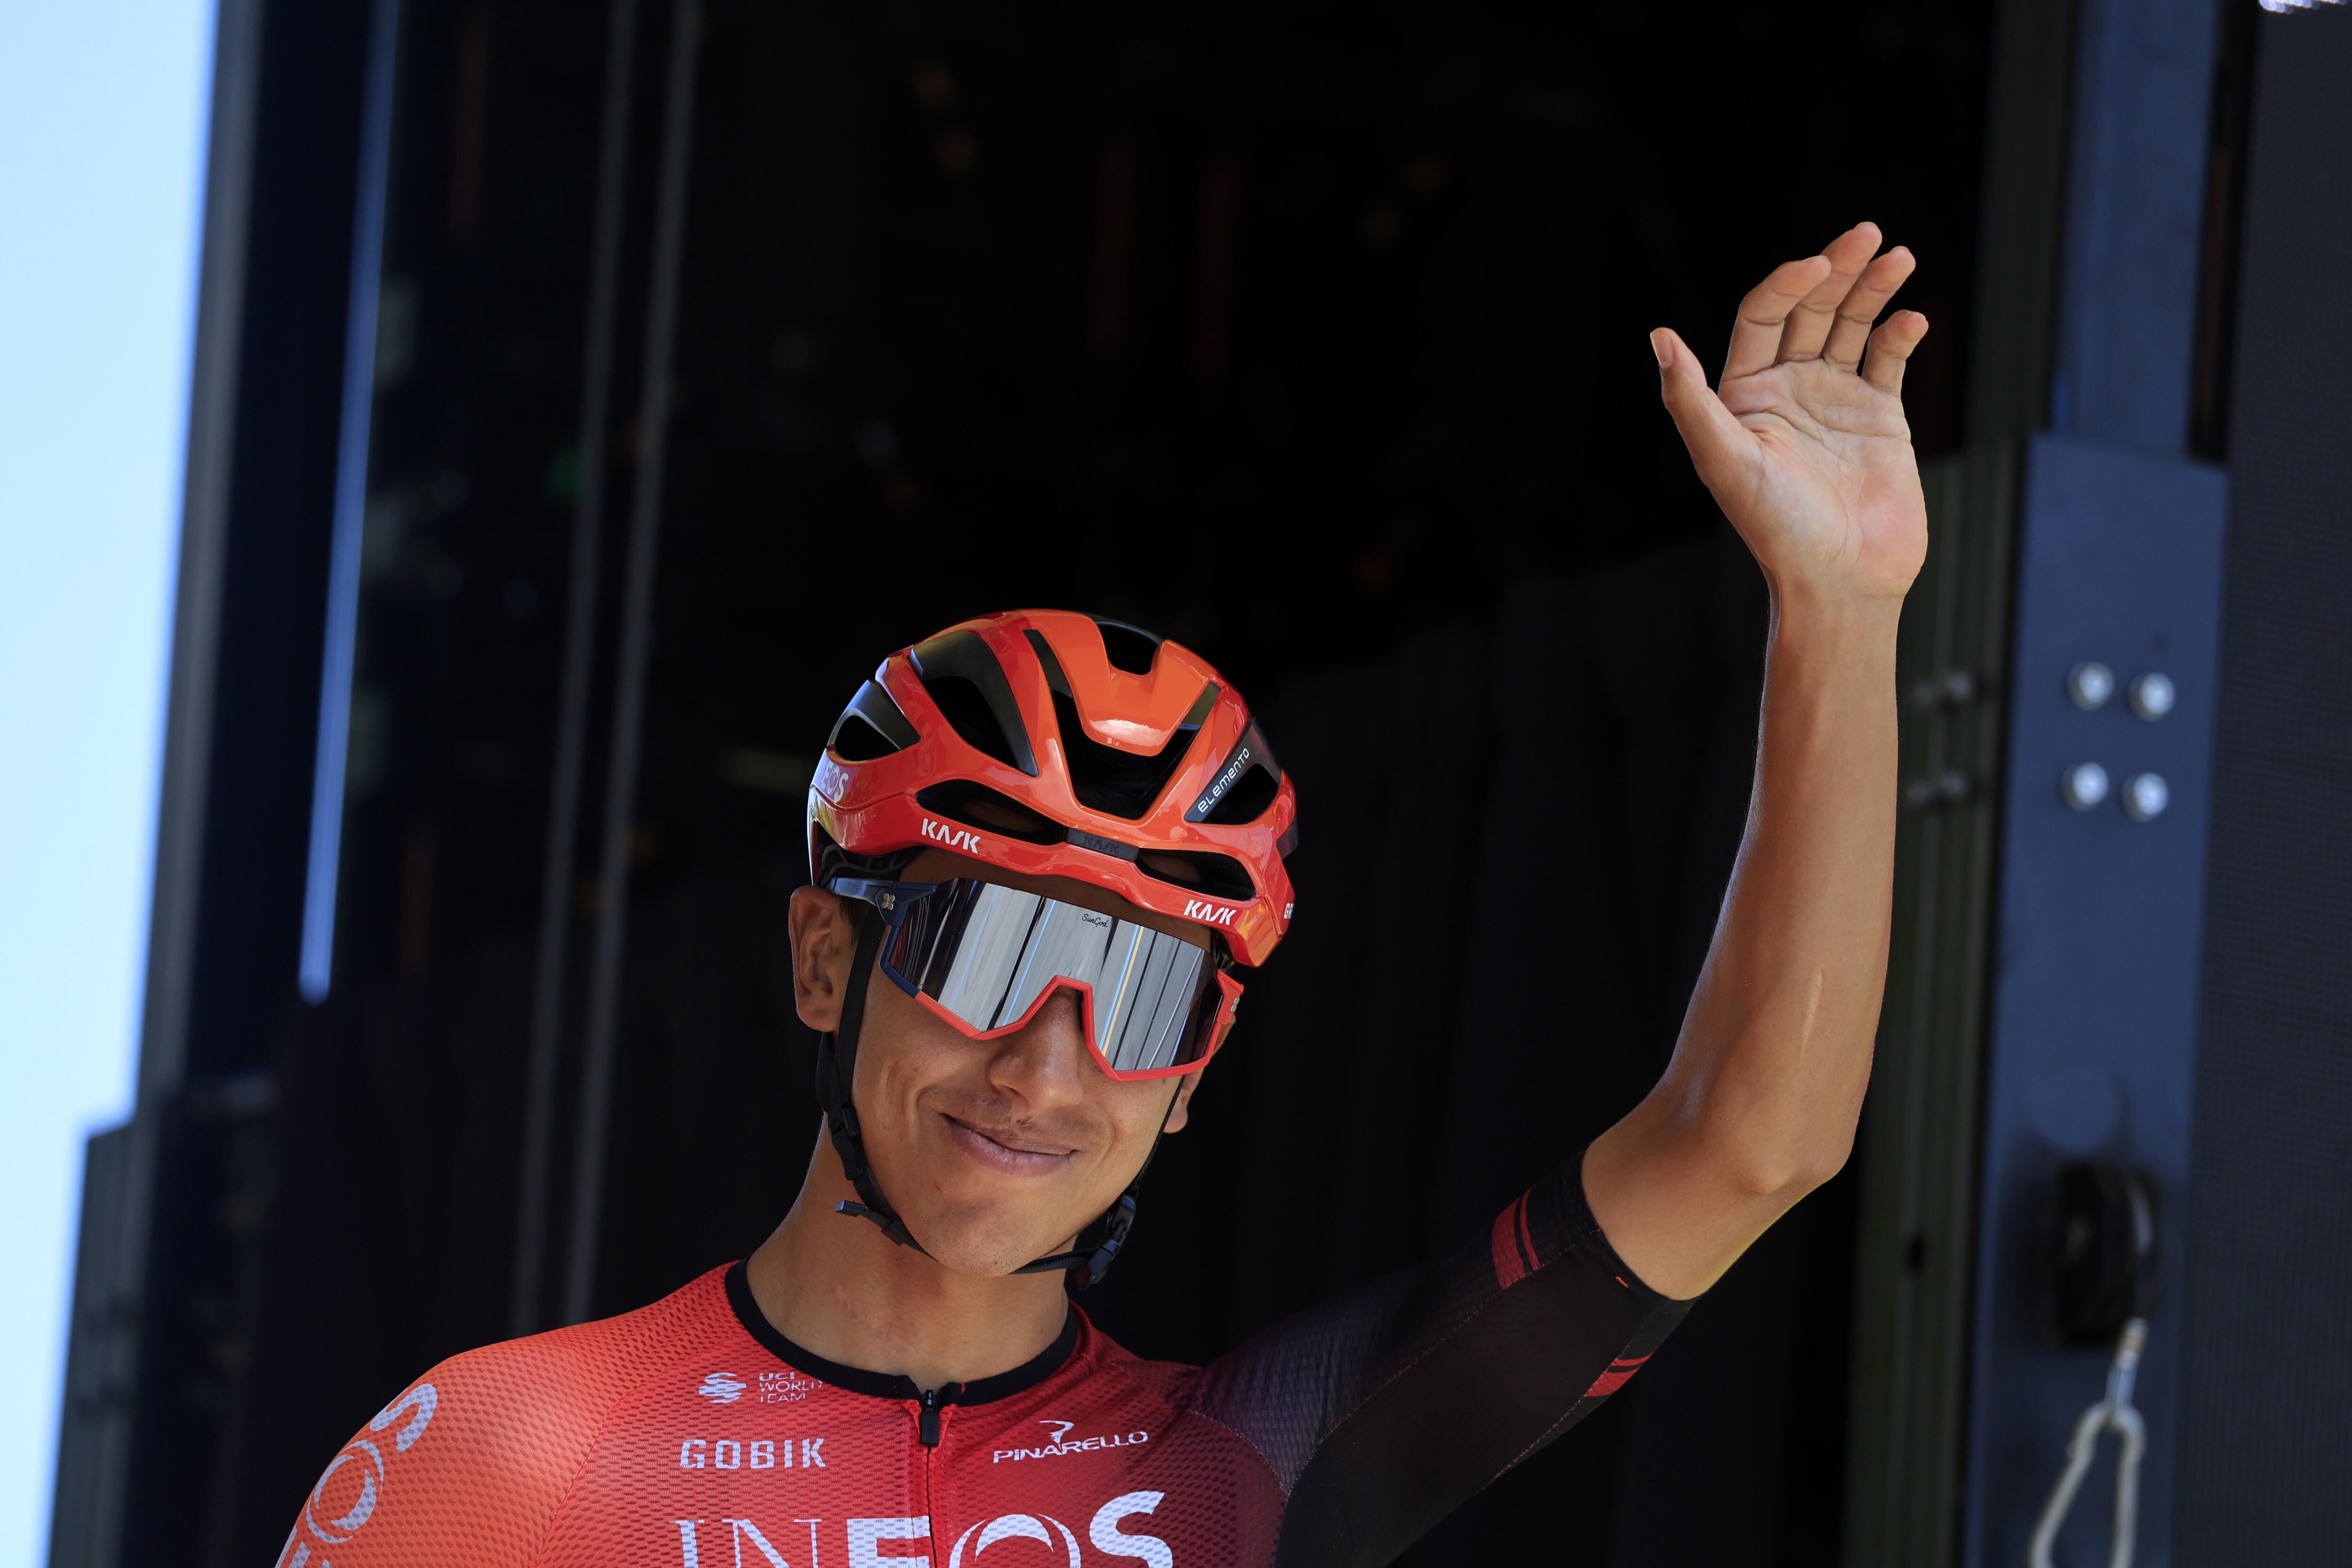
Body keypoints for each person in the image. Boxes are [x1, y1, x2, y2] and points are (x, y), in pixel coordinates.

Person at [276, 223, 1929, 1568]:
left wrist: (1838, 615)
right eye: (994, 946)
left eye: (1142, 995)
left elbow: (1752, 1141)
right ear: (819, 952)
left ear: (1194, 1075)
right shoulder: (507, 1460)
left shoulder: (1250, 1467)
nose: (1050, 1065)